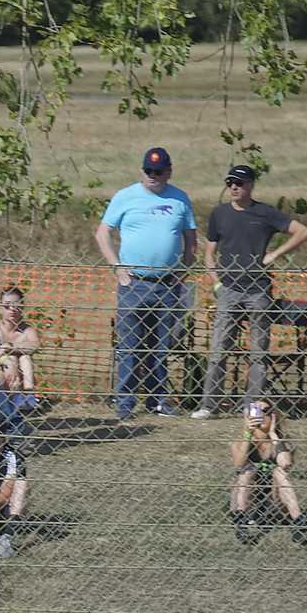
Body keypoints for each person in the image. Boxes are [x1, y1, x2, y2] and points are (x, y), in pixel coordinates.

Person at [195, 163, 307, 417]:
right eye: (230, 183)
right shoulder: (219, 214)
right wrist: (216, 282)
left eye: (239, 183)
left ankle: (252, 406)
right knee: (218, 351)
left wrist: (275, 254)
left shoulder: (265, 213)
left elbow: (302, 231)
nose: (234, 187)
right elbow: (209, 253)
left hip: (258, 291)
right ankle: (209, 405)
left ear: (251, 185)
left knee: (258, 353)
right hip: (228, 289)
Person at [94, 145, 199, 418]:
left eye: (159, 171)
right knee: (129, 346)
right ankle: (125, 404)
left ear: (169, 172)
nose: (153, 176)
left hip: (168, 285)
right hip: (133, 283)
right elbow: (103, 233)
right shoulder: (125, 197)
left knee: (160, 346)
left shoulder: (180, 199)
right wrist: (117, 268)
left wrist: (182, 272)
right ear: (142, 171)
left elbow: (191, 242)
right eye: (149, 171)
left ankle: (158, 401)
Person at [229, 399, 302, 541]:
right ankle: (241, 523)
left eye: (266, 411)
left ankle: (299, 522)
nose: (261, 415)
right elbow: (239, 464)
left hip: (274, 500)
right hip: (248, 498)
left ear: (273, 416)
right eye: (256, 411)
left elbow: (286, 463)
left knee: (279, 471)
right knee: (247, 470)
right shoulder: (240, 441)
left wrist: (274, 435)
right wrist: (247, 433)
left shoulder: (283, 442)